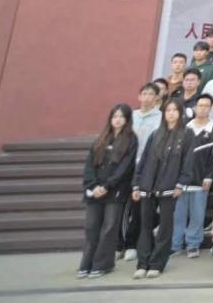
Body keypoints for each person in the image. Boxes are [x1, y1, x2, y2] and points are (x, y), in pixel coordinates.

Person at [131, 99, 193, 279]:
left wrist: (181, 183)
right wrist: (136, 183)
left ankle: (157, 264)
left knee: (165, 226)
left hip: (169, 187)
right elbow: (144, 160)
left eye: (175, 110)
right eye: (168, 110)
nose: (171, 113)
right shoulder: (155, 134)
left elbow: (188, 161)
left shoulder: (186, 134)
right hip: (147, 186)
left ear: (180, 113)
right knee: (145, 225)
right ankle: (143, 263)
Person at [78, 104, 137, 279]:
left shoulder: (131, 139)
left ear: (127, 119)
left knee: (109, 228)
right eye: (114, 116)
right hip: (95, 190)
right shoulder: (102, 138)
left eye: (121, 116)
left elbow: (126, 167)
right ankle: (86, 264)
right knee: (91, 227)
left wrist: (107, 186)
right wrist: (93, 185)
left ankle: (102, 264)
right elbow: (89, 165)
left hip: (115, 190)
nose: (117, 120)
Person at [173, 94, 213, 259]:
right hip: (181, 181)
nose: (203, 108)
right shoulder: (185, 127)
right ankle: (175, 244)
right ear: (194, 108)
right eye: (200, 105)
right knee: (178, 214)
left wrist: (209, 177)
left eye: (207, 106)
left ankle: (193, 244)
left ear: (211, 109)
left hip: (201, 181)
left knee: (197, 215)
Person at [120, 83, 161, 262]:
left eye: (150, 94)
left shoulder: (161, 118)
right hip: (127, 166)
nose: (146, 97)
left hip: (147, 168)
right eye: (144, 93)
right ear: (139, 96)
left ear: (156, 98)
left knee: (139, 208)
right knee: (123, 208)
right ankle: (120, 245)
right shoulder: (131, 117)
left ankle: (132, 244)